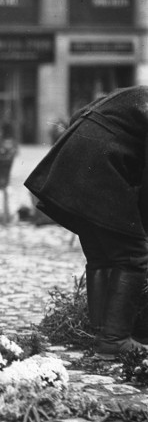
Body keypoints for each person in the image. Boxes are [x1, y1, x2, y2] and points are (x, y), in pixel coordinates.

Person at [25, 86, 148, 358]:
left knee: (102, 256)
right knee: (134, 256)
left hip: (70, 167)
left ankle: (100, 332)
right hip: (99, 173)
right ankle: (114, 340)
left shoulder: (134, 94)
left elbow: (80, 114)